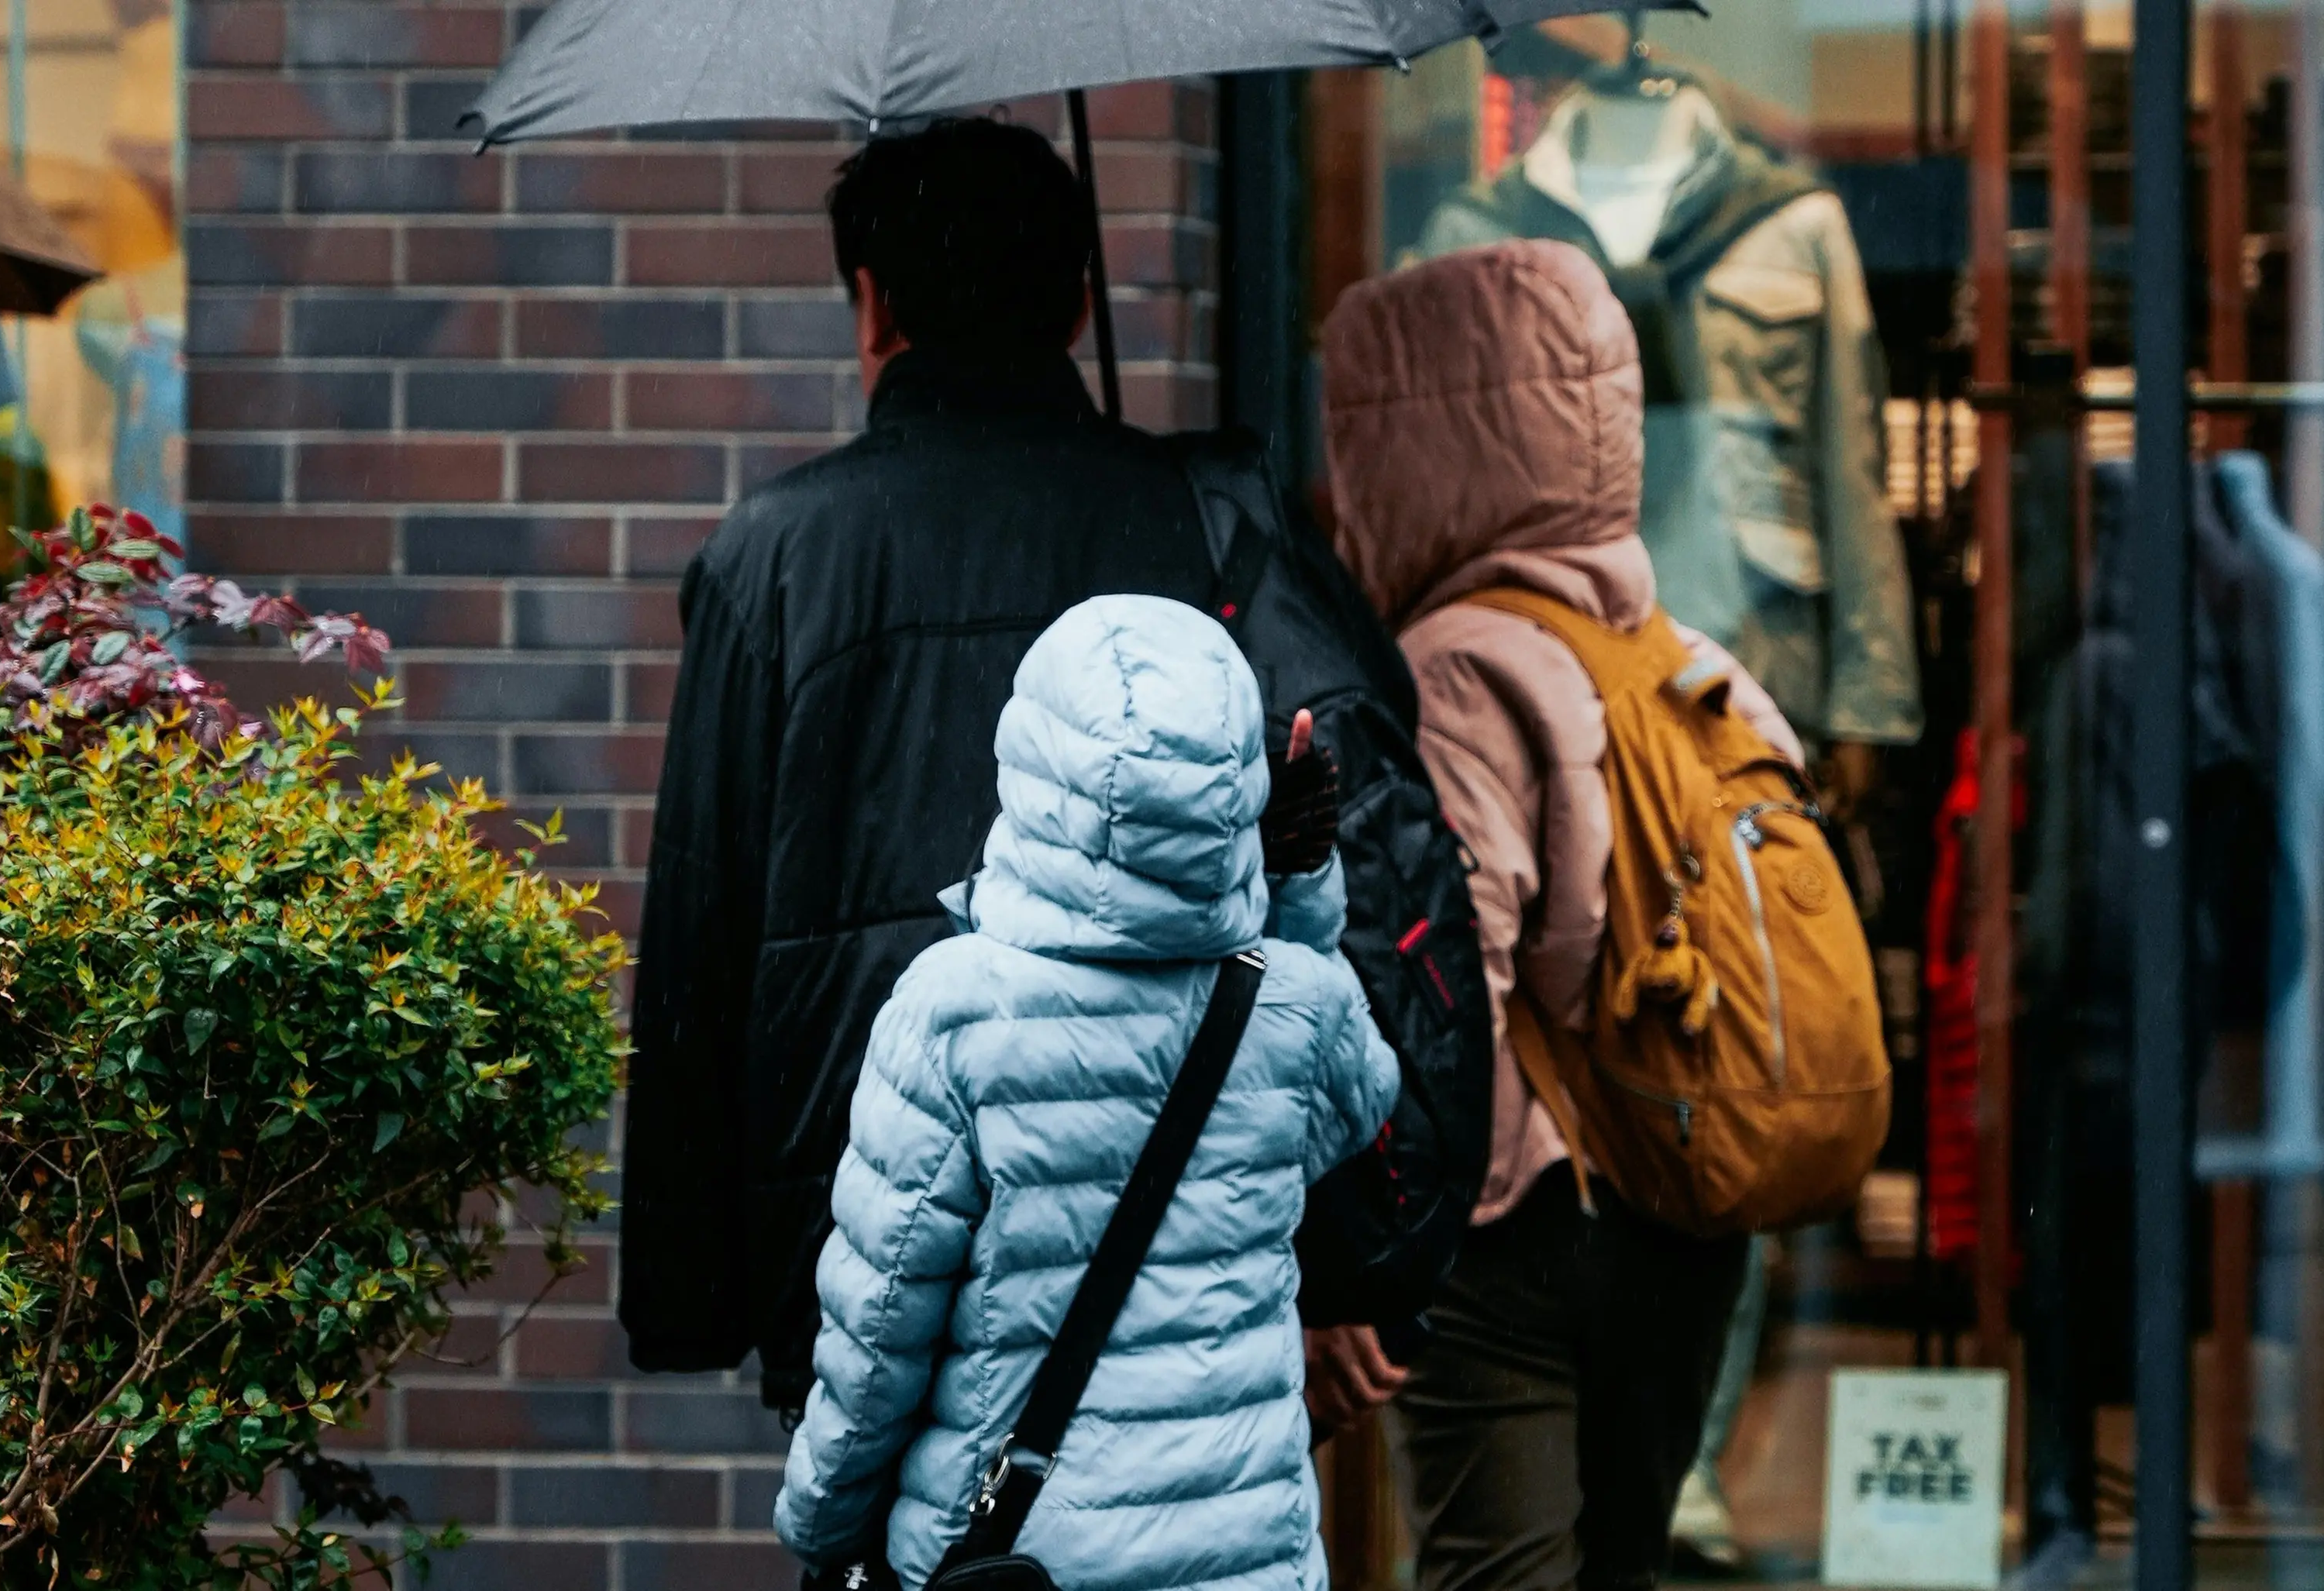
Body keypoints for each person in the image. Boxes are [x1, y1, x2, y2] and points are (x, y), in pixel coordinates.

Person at [628, 115, 1482, 1415]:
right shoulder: (1210, 527)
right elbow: (1340, 827)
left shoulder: (772, 559)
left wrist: (695, 1297)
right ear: (1081, 302)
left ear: (873, 304)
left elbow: (702, 946)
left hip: (869, 1244)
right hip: (1165, 1222)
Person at [1312, 238, 1804, 1591]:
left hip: (1512, 1221)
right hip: (1679, 1206)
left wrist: (1375, 1249)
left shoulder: (1457, 664)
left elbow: (1442, 976)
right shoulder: (1684, 658)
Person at [773, 594, 1397, 1591]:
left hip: (1022, 1567)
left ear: (1034, 766)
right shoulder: (1293, 1001)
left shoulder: (953, 1011)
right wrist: (1301, 874)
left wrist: (821, 1518)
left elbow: (881, 1321)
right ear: (1236, 780)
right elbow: (1360, 1100)